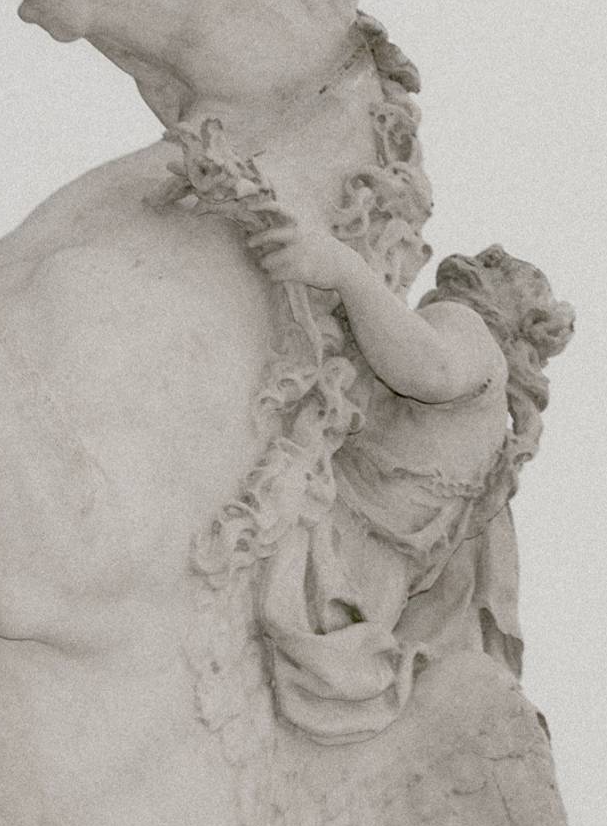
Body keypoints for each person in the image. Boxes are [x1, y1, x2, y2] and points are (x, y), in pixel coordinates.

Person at [241, 212, 574, 739]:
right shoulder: (494, 430)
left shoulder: (470, 334)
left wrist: (345, 271)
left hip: (312, 561)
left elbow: (430, 369)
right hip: (364, 601)